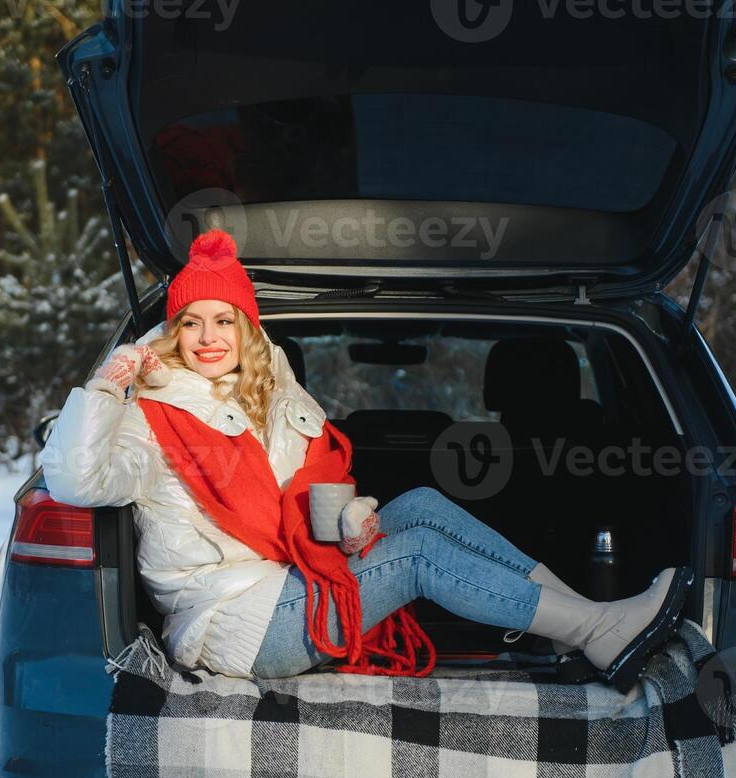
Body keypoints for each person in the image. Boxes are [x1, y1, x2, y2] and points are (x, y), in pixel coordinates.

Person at [40, 229, 691, 690]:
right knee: (416, 558)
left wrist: (347, 521)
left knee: (420, 507)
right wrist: (106, 385)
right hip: (234, 625)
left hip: (283, 586)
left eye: (224, 321)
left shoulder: (262, 407)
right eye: (192, 322)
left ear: (247, 331)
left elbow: (290, 512)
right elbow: (74, 479)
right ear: (171, 333)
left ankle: (576, 621)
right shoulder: (148, 420)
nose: (208, 338)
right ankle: (597, 628)